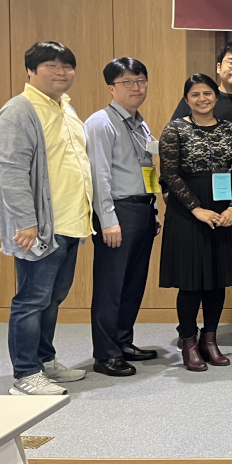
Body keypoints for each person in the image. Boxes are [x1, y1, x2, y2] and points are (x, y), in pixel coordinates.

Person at [0, 41, 91, 396]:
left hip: (70, 221)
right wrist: (26, 221)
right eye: (52, 65)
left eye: (67, 65)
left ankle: (45, 359)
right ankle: (25, 374)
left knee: (54, 296)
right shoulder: (19, 111)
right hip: (39, 227)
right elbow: (10, 171)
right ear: (31, 71)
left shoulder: (64, 108)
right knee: (31, 298)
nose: (62, 72)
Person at [173, 40, 232, 346]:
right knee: (199, 265)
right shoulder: (197, 99)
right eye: (231, 62)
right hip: (197, 201)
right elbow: (174, 155)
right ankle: (190, 330)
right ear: (219, 67)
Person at [159, 74, 232, 371]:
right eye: (195, 95)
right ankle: (188, 341)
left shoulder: (230, 129)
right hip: (188, 213)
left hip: (223, 210)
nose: (202, 99)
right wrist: (196, 208)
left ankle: (210, 340)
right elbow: (169, 175)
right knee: (192, 282)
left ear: (216, 97)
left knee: (218, 280)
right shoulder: (175, 129)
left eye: (207, 93)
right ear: (187, 100)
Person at [84, 58, 160, 377]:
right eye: (127, 82)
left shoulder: (139, 123)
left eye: (141, 80)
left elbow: (149, 168)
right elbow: (98, 175)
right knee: (110, 285)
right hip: (116, 211)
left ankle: (123, 341)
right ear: (111, 87)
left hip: (141, 208)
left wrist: (153, 208)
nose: (136, 87)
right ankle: (105, 353)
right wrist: (108, 219)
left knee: (133, 282)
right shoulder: (101, 123)